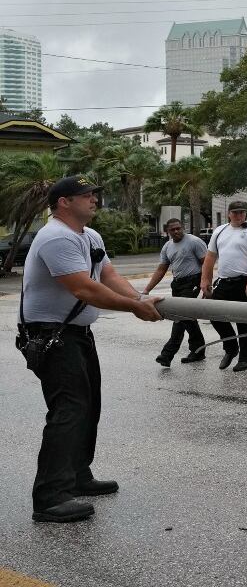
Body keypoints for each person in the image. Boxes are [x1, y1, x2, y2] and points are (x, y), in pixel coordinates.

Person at [18, 176, 164, 523]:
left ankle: (78, 475)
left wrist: (139, 298)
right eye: (87, 196)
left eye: (94, 195)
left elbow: (108, 276)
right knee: (68, 410)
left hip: (77, 333)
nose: (95, 200)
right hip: (51, 335)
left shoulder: (89, 236)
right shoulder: (55, 236)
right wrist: (134, 308)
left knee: (88, 405)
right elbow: (84, 288)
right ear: (63, 202)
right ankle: (50, 497)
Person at [200, 201, 247, 372]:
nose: (239, 215)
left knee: (246, 321)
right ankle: (231, 348)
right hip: (224, 281)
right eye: (235, 212)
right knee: (214, 314)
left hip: (245, 282)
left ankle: (244, 359)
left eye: (242, 212)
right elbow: (210, 257)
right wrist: (205, 280)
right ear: (229, 214)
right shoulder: (220, 231)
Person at [142, 218, 207, 367]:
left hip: (193, 282)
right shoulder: (167, 247)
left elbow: (207, 263)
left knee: (179, 315)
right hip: (177, 284)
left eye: (178, 228)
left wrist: (205, 284)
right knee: (186, 317)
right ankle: (198, 350)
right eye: (173, 230)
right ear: (167, 231)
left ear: (182, 227)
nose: (176, 231)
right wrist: (147, 290)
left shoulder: (194, 242)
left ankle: (167, 354)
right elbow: (161, 269)